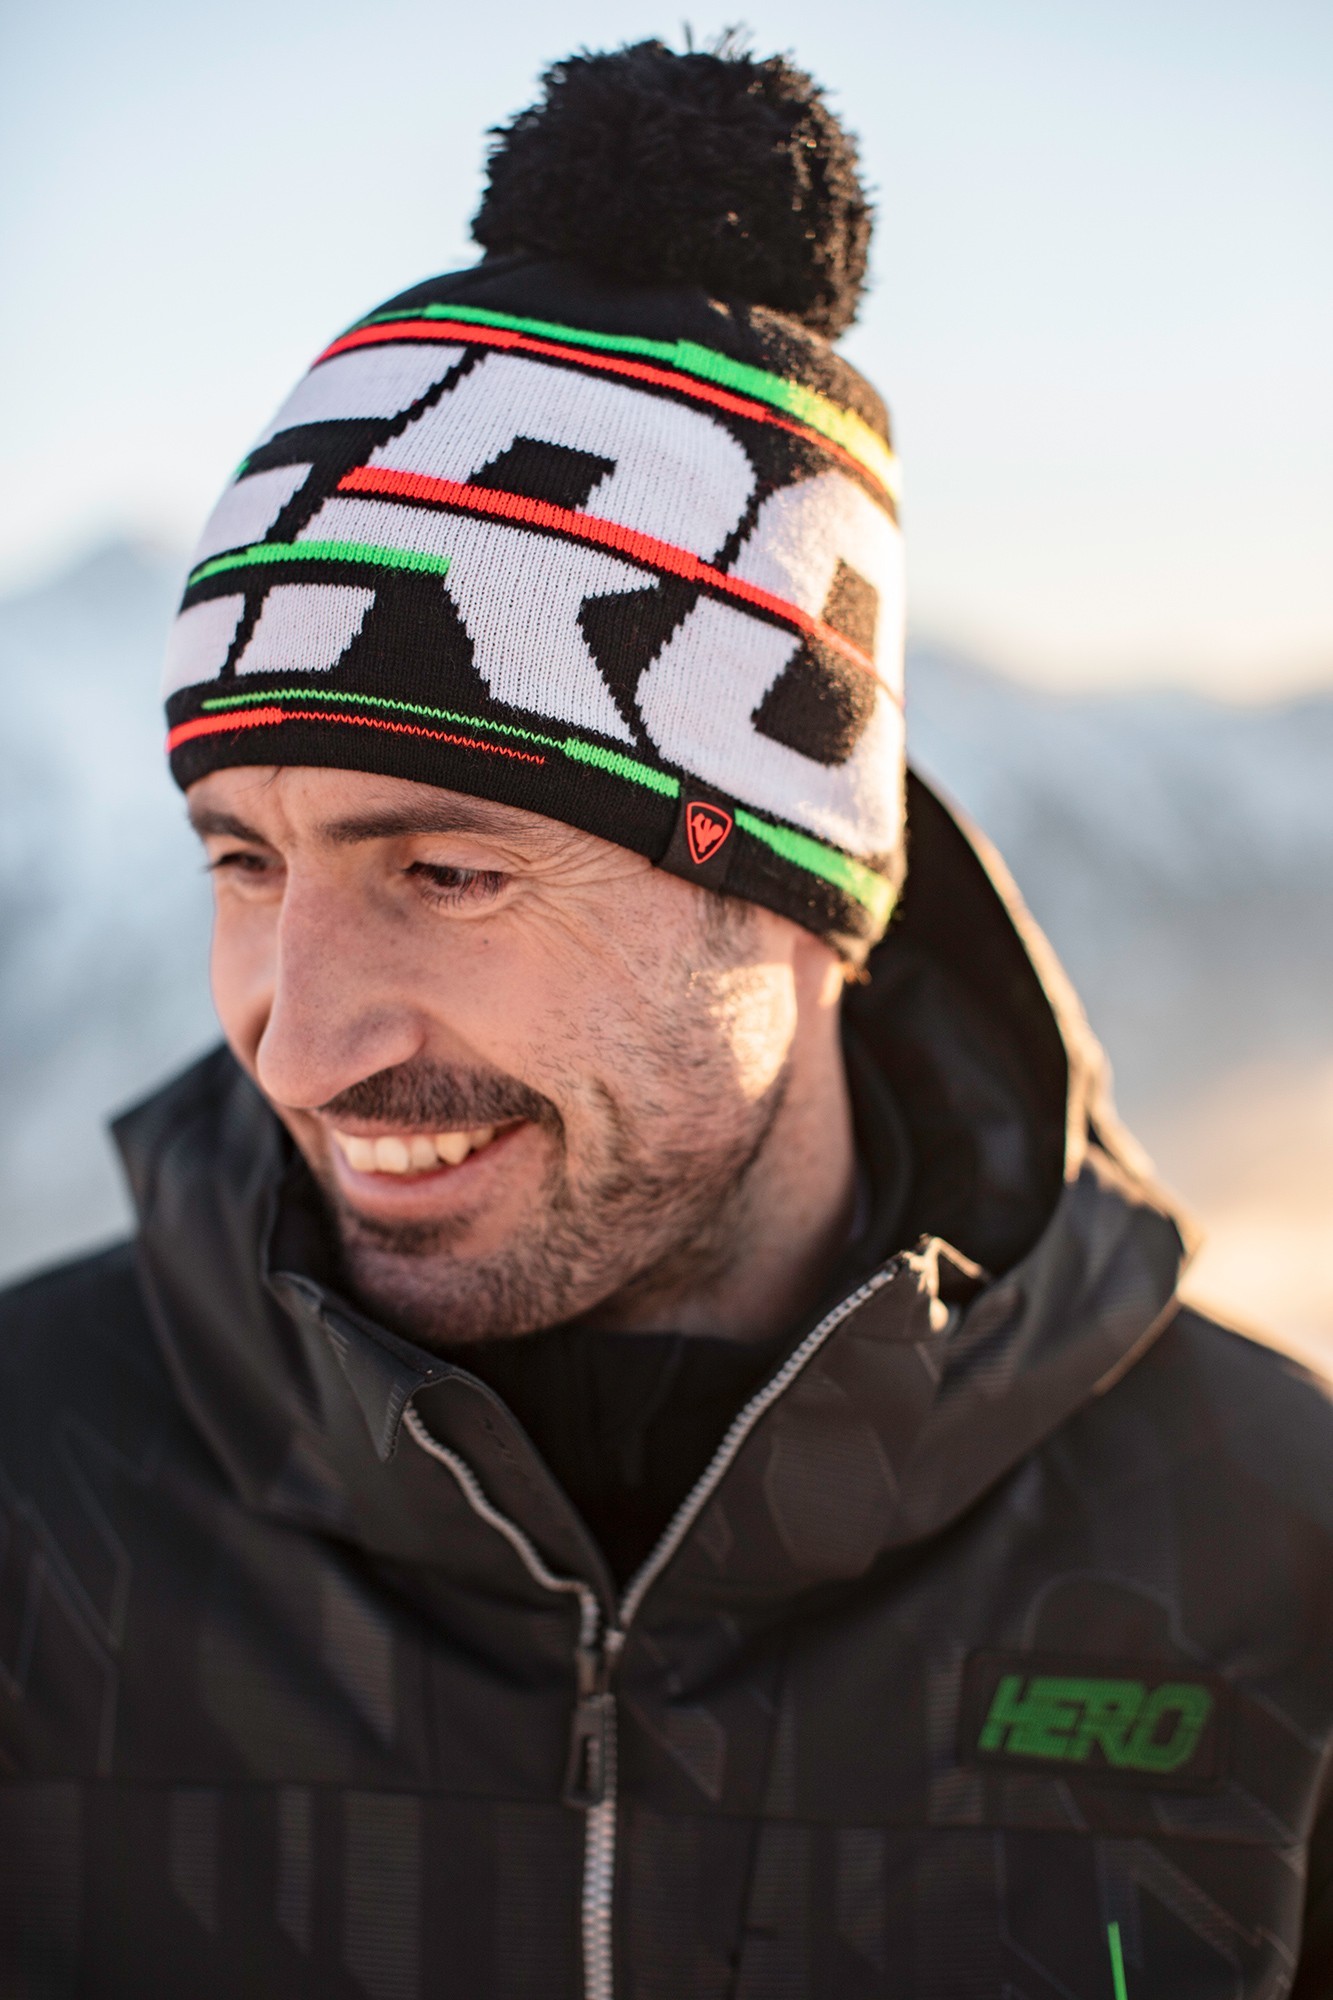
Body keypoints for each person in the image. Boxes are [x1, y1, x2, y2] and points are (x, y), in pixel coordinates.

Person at [2, 37, 1331, 2000]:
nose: (295, 1039)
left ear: (792, 893)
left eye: (446, 871)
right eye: (245, 863)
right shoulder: (34, 1492)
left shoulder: (1267, 1550)